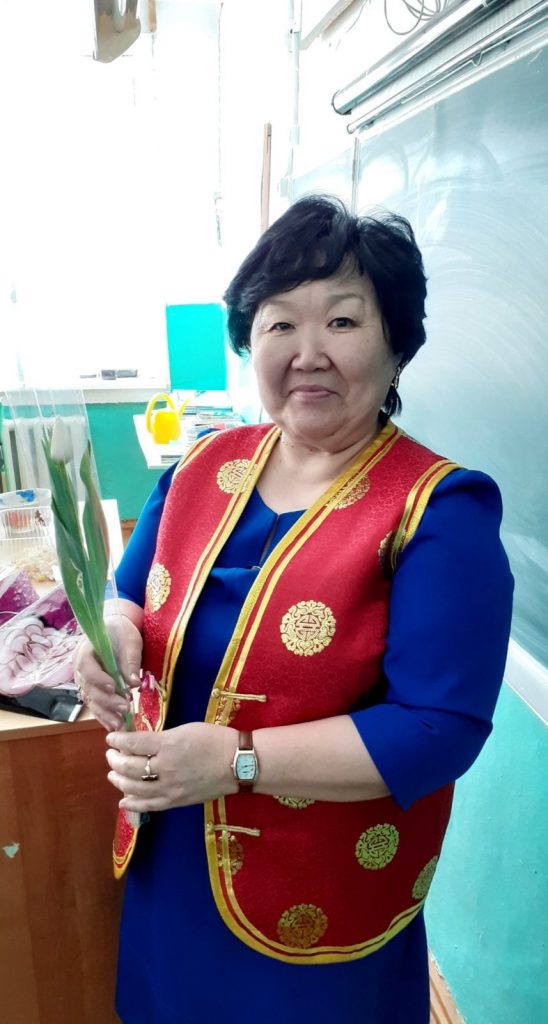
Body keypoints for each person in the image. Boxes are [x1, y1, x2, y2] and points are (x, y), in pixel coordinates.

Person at [75, 194, 513, 1024]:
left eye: (342, 321)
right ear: (251, 341)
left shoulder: (438, 512)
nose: (308, 353)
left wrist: (237, 761)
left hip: (323, 890)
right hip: (172, 852)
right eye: (280, 323)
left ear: (397, 344)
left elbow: (438, 728)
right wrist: (112, 634)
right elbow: (130, 590)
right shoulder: (202, 467)